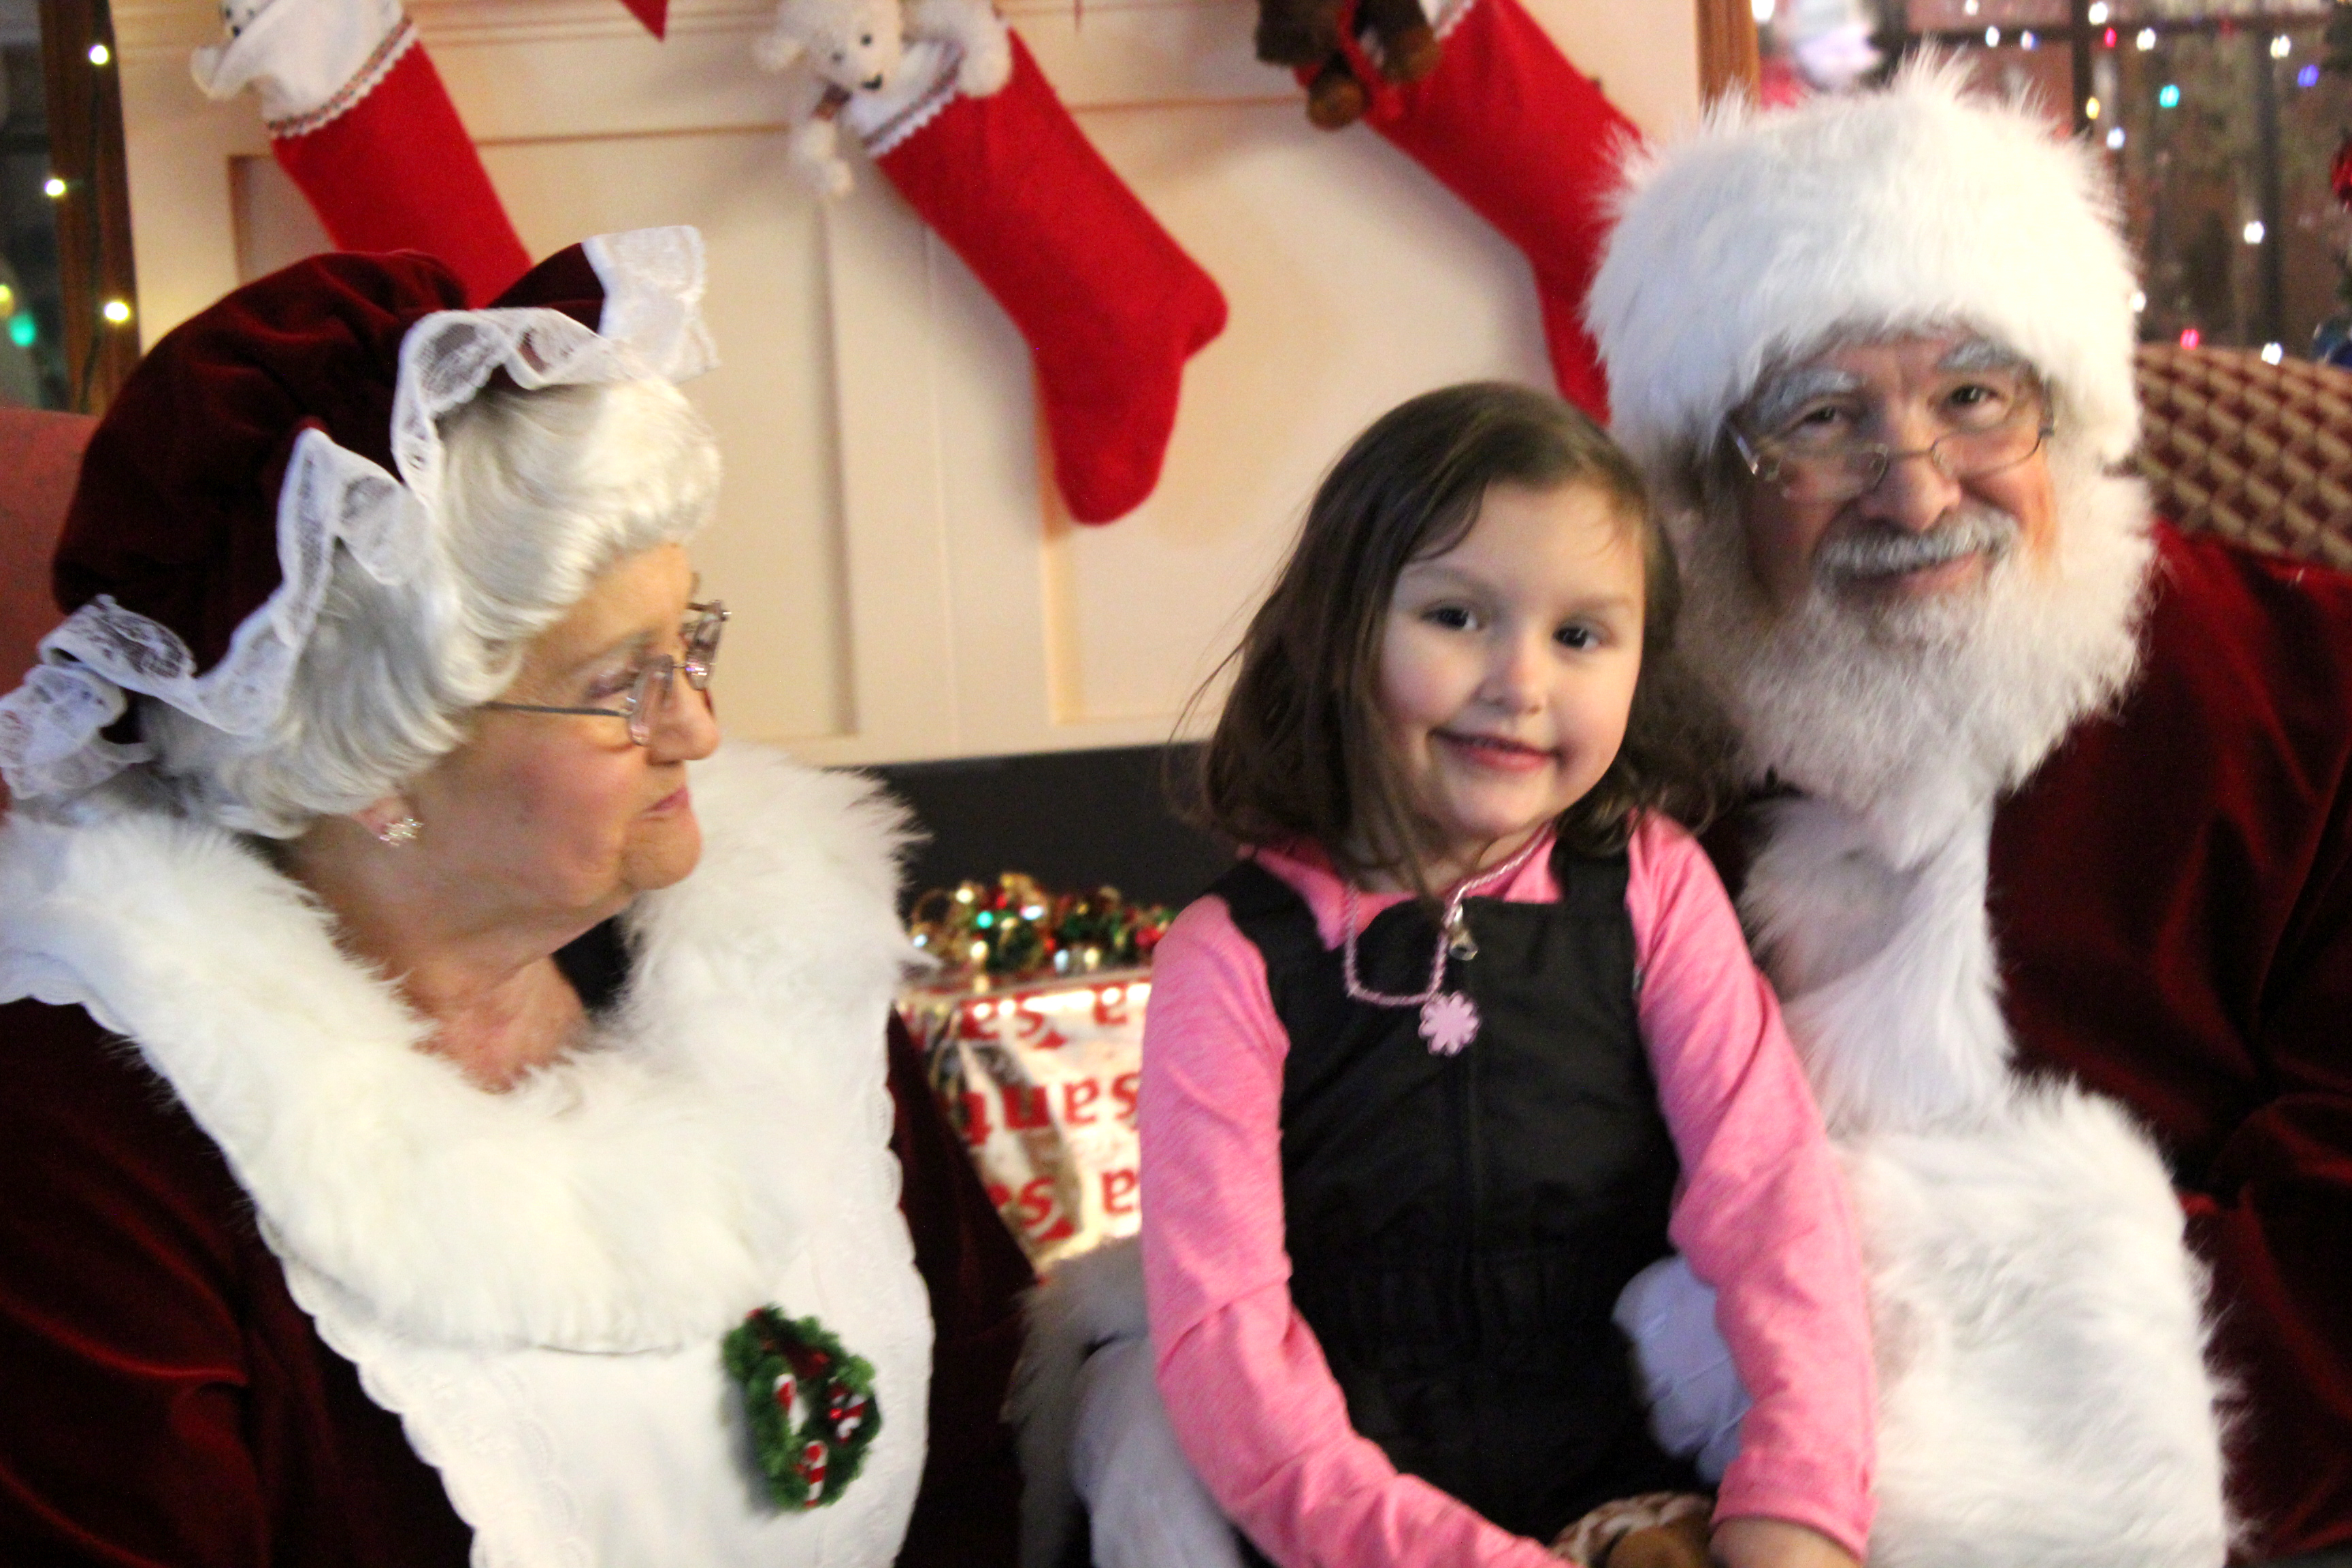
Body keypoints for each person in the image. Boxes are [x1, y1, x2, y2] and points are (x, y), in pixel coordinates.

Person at [0, 229, 1032, 1565]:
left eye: (689, 643)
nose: (698, 728)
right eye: (621, 684)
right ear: (374, 764)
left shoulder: (772, 965)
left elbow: (994, 1440)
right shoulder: (89, 1143)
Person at [1582, 60, 2349, 1566]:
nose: (1917, 494)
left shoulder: (2315, 693)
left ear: (2069, 415)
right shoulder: (1603, 758)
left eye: (1975, 399)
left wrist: (1861, 1378)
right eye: (1822, 419)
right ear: (1708, 486)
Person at [1134, 383, 1875, 1567]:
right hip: (1347, 1512)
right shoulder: (1228, 961)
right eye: (1456, 616)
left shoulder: (1653, 886)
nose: (1521, 683)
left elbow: (1774, 1202)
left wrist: (1799, 1495)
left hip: (1637, 1465)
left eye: (1580, 636)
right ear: (1337, 636)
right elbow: (1223, 1343)